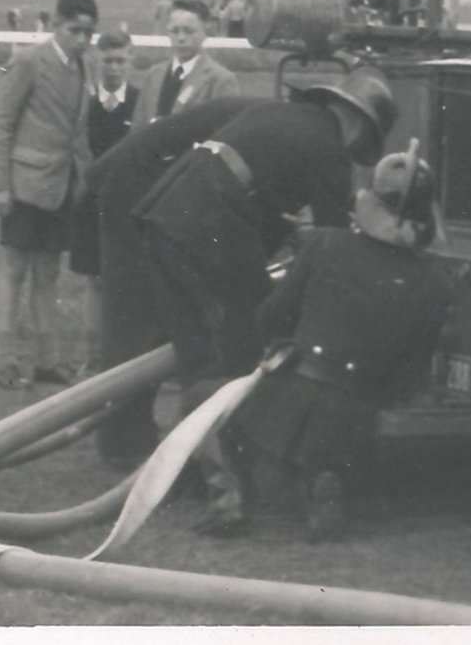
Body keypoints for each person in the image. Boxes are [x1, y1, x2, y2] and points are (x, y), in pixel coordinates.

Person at [132, 70, 395, 514]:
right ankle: (233, 489)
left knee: (198, 355)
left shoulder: (279, 114)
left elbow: (253, 187)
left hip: (166, 212)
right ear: (356, 124)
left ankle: (193, 477)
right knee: (242, 349)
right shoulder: (329, 149)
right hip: (207, 224)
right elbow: (333, 246)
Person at [214, 152, 452, 540]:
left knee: (203, 400)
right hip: (360, 411)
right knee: (326, 453)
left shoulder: (325, 245)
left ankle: (245, 497)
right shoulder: (436, 281)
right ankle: (320, 482)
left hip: (293, 396)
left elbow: (268, 320)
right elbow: (412, 371)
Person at [87, 95, 253, 468]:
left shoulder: (259, 115)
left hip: (137, 182)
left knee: (146, 319)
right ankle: (124, 444)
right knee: (136, 321)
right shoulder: (265, 122)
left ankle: (131, 438)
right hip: (135, 189)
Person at [0, 0, 99, 389]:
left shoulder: (85, 66)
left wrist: (83, 178)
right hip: (24, 185)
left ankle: (48, 361)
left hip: (63, 185)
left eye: (89, 32)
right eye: (74, 30)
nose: (82, 38)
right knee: (13, 270)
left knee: (48, 273)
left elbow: (78, 130)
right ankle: (4, 361)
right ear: (55, 25)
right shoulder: (29, 61)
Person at [68, 28, 139, 375]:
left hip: (128, 204)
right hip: (91, 203)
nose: (114, 68)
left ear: (131, 61)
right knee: (93, 281)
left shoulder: (141, 101)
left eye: (120, 60)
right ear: (97, 61)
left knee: (129, 281)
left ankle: (123, 358)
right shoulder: (84, 103)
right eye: (108, 60)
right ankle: (91, 358)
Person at [134, 0, 241, 124]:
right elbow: (137, 128)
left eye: (189, 31)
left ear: (205, 32)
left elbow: (224, 132)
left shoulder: (221, 80)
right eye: (175, 31)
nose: (181, 38)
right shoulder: (153, 74)